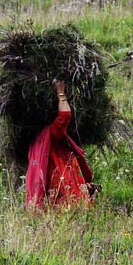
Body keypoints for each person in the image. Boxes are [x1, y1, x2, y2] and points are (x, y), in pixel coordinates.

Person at [25, 80, 94, 210]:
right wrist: (61, 93)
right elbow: (65, 116)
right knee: (70, 211)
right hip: (62, 190)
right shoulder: (51, 133)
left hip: (52, 193)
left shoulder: (35, 141)